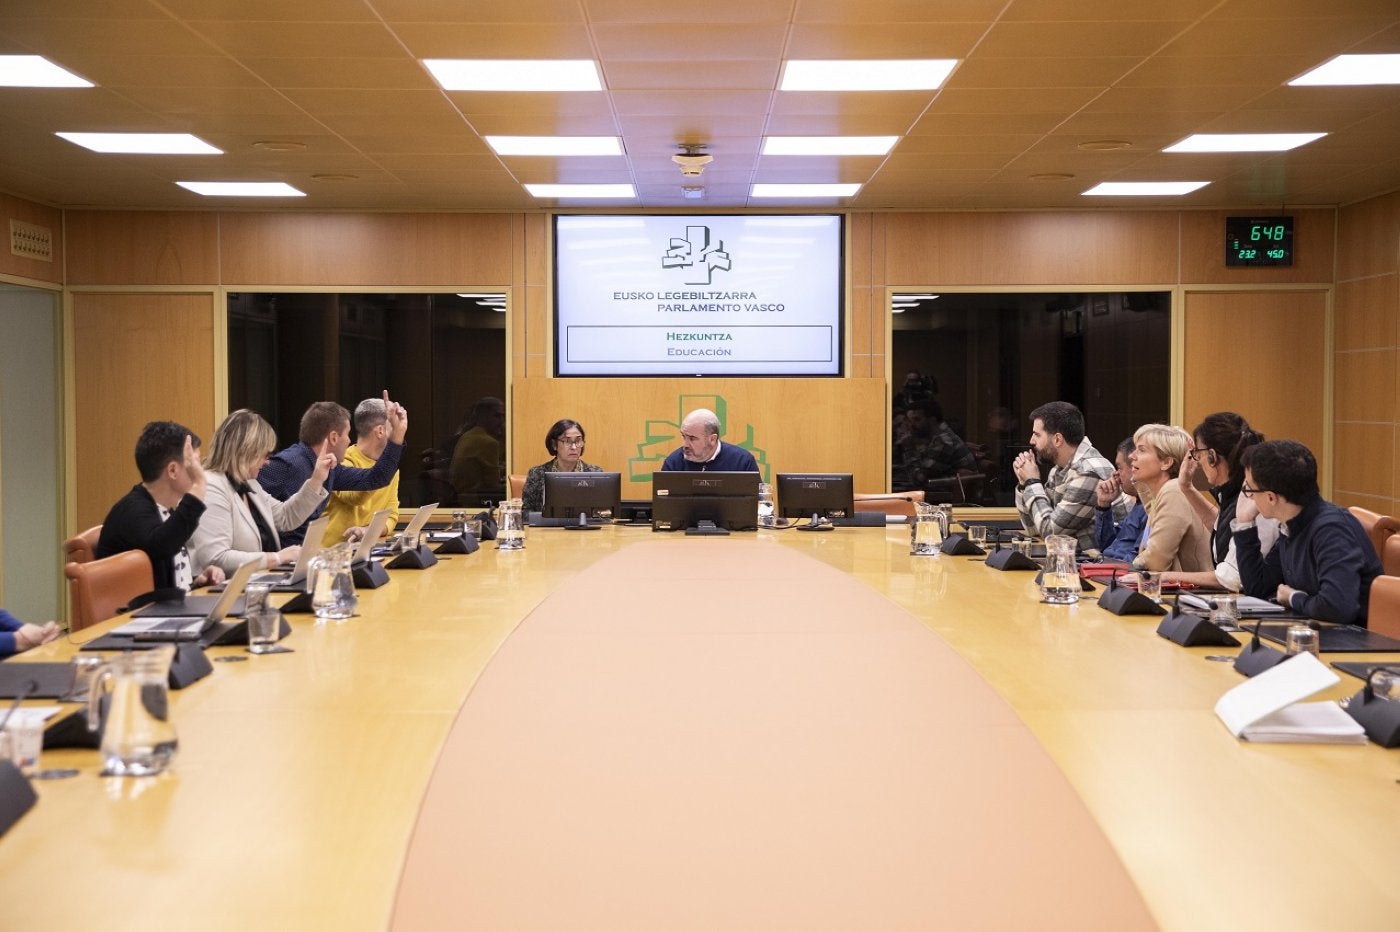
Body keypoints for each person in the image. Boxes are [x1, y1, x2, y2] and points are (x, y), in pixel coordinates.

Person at [1234, 439, 1382, 625]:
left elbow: (1337, 607)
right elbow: (1258, 589)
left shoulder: (1331, 530)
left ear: (1271, 497)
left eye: (1249, 489)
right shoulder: (1292, 524)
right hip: (1318, 629)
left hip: (1353, 637)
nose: (1249, 497)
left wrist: (1293, 598)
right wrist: (1244, 523)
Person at [190, 409, 336, 576]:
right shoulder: (211, 486)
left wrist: (317, 479)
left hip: (253, 584)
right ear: (246, 452)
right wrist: (276, 558)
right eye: (265, 455)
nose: (267, 462)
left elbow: (285, 517)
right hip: (222, 589)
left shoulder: (249, 483)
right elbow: (216, 558)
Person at [258, 391, 407, 545]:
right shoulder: (288, 463)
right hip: (279, 558)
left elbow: (375, 479)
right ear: (334, 437)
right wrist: (270, 554)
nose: (349, 441)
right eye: (347, 434)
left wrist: (397, 434)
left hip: (305, 554)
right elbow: (248, 496)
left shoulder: (330, 468)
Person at [95, 421, 225, 591]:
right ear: (172, 470)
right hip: (139, 609)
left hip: (167, 604)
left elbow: (163, 574)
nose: (200, 471)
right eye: (195, 464)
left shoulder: (164, 509)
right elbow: (162, 547)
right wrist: (198, 485)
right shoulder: (132, 512)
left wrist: (196, 584)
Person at [1013, 401, 1125, 552]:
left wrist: (1032, 482)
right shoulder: (1058, 470)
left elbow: (1049, 532)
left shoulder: (1088, 472)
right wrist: (1024, 484)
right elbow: (1033, 529)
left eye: (1037, 434)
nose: (1031, 441)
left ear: (1057, 439)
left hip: (1099, 561)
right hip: (1073, 559)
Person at [1125, 424, 1213, 573]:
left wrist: (1136, 562)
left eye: (1142, 450)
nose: (1131, 456)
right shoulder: (1164, 492)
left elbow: (1155, 562)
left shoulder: (1174, 490)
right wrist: (1140, 484)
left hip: (1191, 587)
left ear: (1166, 463)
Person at [320, 398, 401, 547]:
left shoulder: (389, 467)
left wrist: (368, 530)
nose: (401, 429)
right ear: (380, 431)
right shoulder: (341, 461)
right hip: (331, 553)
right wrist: (383, 470)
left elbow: (392, 515)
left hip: (366, 551)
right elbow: (355, 497)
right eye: (395, 424)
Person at [521, 419, 604, 514]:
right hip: (546, 524)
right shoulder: (537, 474)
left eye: (578, 441)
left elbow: (603, 513)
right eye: (567, 441)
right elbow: (526, 513)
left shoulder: (596, 474)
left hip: (583, 524)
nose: (574, 447)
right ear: (554, 445)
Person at [1093, 438, 1147, 563]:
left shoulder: (1153, 506)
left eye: (1119, 468)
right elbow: (1106, 546)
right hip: (1108, 567)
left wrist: (1103, 566)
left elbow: (1135, 562)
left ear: (1135, 467)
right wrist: (1104, 506)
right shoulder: (1139, 503)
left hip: (1118, 571)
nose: (1115, 474)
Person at [660, 408, 759, 472]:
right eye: (683, 436)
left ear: (712, 439)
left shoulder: (742, 461)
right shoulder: (673, 463)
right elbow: (661, 498)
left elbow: (757, 498)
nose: (685, 445)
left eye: (692, 438)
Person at [449, 397, 506, 505]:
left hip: (460, 497)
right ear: (482, 417)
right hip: (474, 500)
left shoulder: (467, 435)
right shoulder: (488, 442)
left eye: (503, 416)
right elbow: (493, 484)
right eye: (497, 416)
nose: (501, 422)